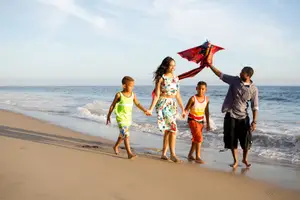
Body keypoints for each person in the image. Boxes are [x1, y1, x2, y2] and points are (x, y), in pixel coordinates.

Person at [207, 63, 259, 168]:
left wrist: (254, 121)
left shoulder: (254, 89)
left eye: (242, 72)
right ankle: (235, 161)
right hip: (230, 115)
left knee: (246, 141)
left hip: (243, 117)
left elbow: (255, 106)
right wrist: (210, 65)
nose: (240, 73)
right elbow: (220, 74)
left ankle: (244, 159)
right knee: (232, 139)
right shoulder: (234, 80)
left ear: (248, 76)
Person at [148, 56, 186, 163]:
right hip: (163, 104)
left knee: (168, 130)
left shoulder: (176, 79)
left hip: (172, 105)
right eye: (171, 65)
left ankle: (164, 154)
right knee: (173, 129)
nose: (173, 67)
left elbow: (177, 95)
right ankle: (173, 154)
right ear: (166, 66)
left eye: (174, 65)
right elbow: (156, 95)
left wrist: (183, 109)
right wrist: (150, 109)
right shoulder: (161, 78)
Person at [106, 76, 151, 159]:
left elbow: (137, 104)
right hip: (121, 118)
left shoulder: (133, 95)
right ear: (124, 86)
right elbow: (112, 105)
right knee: (126, 134)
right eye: (130, 86)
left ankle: (115, 146)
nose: (132, 88)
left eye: (133, 86)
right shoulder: (119, 95)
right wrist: (108, 115)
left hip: (128, 118)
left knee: (122, 135)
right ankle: (129, 153)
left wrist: (145, 110)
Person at [184, 81, 210, 164]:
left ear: (206, 90)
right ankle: (198, 157)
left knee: (195, 139)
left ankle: (190, 155)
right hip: (192, 120)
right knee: (199, 138)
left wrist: (208, 123)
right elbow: (186, 109)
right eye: (199, 89)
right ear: (196, 89)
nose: (201, 91)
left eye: (203, 89)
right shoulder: (193, 99)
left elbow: (206, 111)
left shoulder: (206, 99)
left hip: (201, 121)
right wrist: (183, 113)